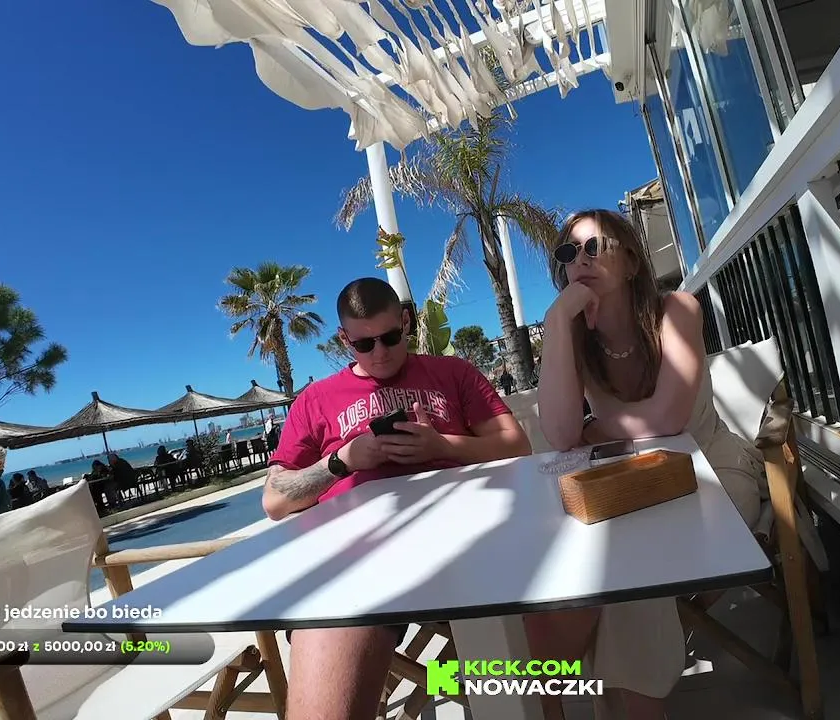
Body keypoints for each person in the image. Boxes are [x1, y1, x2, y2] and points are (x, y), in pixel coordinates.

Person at [526, 209, 777, 719]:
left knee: (630, 571)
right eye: (568, 253)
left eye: (594, 246)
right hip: (637, 484)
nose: (580, 260)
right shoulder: (577, 341)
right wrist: (555, 324)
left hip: (714, 469)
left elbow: (669, 419)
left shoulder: (677, 310)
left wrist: (601, 425)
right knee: (615, 568)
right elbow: (562, 434)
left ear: (632, 260)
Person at [262, 277, 531, 719]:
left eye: (390, 337)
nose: (381, 353)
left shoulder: (453, 373)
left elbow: (518, 447)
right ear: (344, 339)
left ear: (406, 322)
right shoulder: (315, 400)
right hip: (358, 563)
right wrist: (341, 461)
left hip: (467, 545)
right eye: (363, 344)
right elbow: (275, 501)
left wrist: (441, 445)